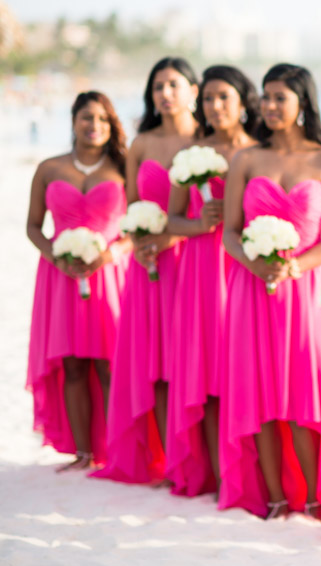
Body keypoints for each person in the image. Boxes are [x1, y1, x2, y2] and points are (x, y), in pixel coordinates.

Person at [219, 63, 321, 520]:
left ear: (302, 103)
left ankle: (313, 496)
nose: (268, 106)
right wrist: (255, 264)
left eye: (279, 98)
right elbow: (230, 232)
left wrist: (294, 266)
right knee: (260, 394)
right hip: (252, 290)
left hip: (307, 292)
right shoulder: (246, 160)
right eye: (264, 97)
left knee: (305, 394)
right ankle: (273, 498)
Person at [94, 57, 198, 485]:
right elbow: (134, 207)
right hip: (149, 267)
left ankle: (200, 462)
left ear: (193, 90)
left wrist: (169, 239)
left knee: (192, 364)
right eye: (158, 87)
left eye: (174, 84)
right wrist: (140, 243)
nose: (165, 94)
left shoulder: (208, 143)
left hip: (194, 264)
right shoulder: (142, 143)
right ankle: (170, 461)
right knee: (155, 365)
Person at [165, 65, 259, 497]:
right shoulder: (191, 153)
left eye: (224, 97)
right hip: (201, 268)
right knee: (205, 373)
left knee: (242, 371)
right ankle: (216, 476)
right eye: (208, 99)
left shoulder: (260, 151)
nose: (215, 106)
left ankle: (251, 476)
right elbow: (171, 221)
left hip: (244, 267)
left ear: (243, 101)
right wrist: (199, 222)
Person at [26, 91, 129, 471]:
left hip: (110, 276)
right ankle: (83, 452)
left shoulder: (123, 168)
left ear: (112, 124)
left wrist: (110, 254)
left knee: (109, 364)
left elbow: (137, 227)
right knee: (72, 366)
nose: (94, 126)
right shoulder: (49, 168)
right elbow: (33, 227)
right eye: (87, 117)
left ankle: (116, 450)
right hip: (61, 277)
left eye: (103, 119)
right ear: (73, 120)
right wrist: (57, 256)